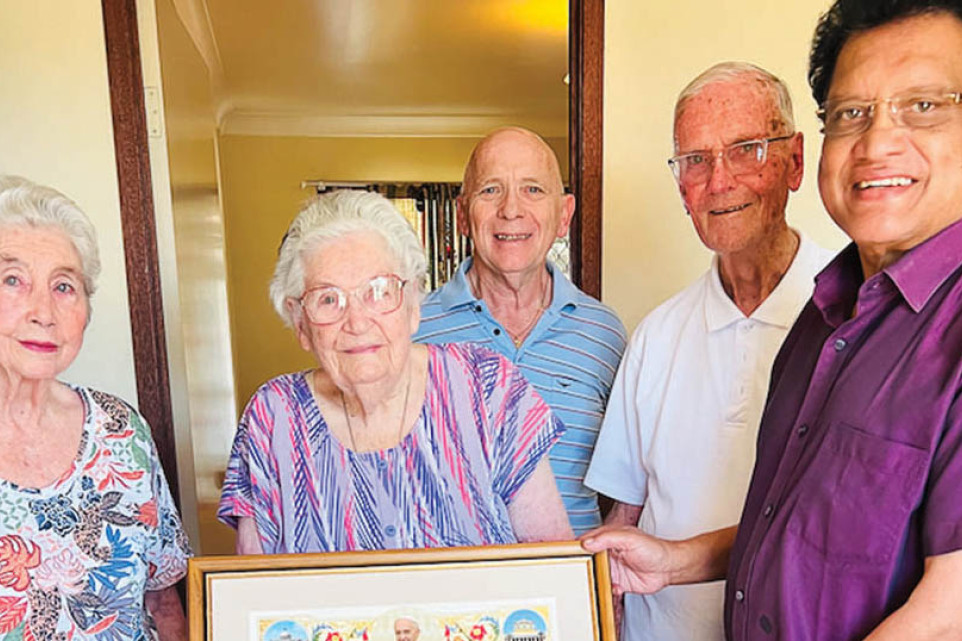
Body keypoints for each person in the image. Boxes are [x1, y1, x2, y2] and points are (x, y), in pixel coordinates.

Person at [583, 1, 962, 639]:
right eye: (852, 114)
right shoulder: (825, 321)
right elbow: (789, 528)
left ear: (791, 161)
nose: (878, 143)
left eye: (923, 106)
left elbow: (948, 608)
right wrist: (674, 561)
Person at [583, 63, 834, 641]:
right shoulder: (655, 337)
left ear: (794, 162)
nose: (718, 180)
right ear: (681, 188)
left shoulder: (853, 317)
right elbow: (624, 516)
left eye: (746, 149)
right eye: (695, 160)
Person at [218, 190, 573, 553]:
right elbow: (256, 590)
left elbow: (552, 566)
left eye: (380, 291)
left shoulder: (488, 388)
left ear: (414, 304)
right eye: (328, 299)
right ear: (300, 324)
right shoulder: (273, 417)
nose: (357, 321)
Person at [0, 177, 190, 640]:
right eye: (12, 280)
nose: (42, 311)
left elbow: (162, 599)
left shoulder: (122, 431)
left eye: (64, 286)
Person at [415, 127, 627, 535]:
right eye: (490, 190)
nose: (511, 210)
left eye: (533, 189)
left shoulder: (603, 335)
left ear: (564, 215)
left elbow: (626, 484)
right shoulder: (413, 330)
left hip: (569, 590)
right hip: (451, 592)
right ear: (462, 214)